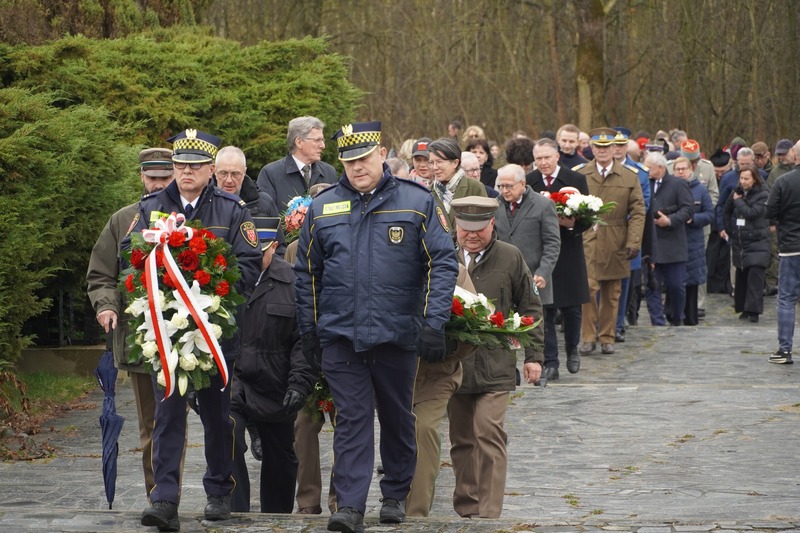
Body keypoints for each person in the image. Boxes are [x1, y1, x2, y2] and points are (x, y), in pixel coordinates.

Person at [294, 121, 458, 532]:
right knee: (351, 419)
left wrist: (434, 321)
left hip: (397, 332)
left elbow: (442, 262)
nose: (357, 167)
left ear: (381, 154)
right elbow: (307, 272)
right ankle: (349, 505)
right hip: (341, 335)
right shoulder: (323, 206)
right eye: (348, 161)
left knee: (397, 416)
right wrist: (309, 328)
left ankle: (395, 495)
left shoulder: (416, 201)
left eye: (364, 158)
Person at [132, 128, 262, 532]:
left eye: (194, 166)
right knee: (167, 416)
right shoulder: (151, 206)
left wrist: (212, 299)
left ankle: (218, 492)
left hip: (215, 334)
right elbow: (131, 257)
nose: (185, 172)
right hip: (167, 332)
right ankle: (165, 498)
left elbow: (249, 265)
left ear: (210, 169)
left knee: (218, 418)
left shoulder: (231, 209)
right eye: (179, 165)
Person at [86, 147, 185, 503]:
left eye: (165, 177)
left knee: (194, 424)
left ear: (175, 175)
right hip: (141, 338)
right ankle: (158, 498)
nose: (158, 184)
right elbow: (101, 276)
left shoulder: (191, 218)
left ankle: (211, 494)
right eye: (152, 177)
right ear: (141, 177)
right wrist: (106, 307)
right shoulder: (122, 220)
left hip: (190, 338)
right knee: (152, 426)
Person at [447, 195, 544, 519]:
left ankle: (488, 514)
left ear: (492, 225)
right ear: (455, 226)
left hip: (495, 365)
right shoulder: (443, 256)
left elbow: (530, 308)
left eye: (479, 229)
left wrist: (533, 356)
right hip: (454, 364)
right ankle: (467, 507)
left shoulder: (510, 257)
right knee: (461, 439)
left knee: (488, 432)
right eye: (465, 229)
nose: (471, 235)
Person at [232, 216, 316, 513]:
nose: (254, 258)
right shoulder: (225, 278)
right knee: (227, 440)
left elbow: (303, 341)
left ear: (275, 247)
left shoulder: (294, 283)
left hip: (276, 386)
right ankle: (234, 512)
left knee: (281, 459)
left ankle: (276, 518)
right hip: (235, 383)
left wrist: (299, 383)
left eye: (261, 251)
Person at [406, 265, 478, 517]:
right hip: (393, 372)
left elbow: (473, 324)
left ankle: (416, 512)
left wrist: (448, 349)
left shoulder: (454, 271)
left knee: (424, 429)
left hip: (437, 374)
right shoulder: (385, 257)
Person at [575, 128, 645, 356]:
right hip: (588, 240)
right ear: (592, 149)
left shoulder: (629, 176)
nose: (602, 151)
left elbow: (637, 212)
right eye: (598, 147)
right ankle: (587, 337)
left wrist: (633, 242)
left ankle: (607, 336)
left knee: (612, 293)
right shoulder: (580, 174)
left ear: (615, 148)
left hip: (616, 241)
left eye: (606, 147)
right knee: (587, 290)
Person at [528, 138, 591, 376]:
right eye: (538, 158)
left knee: (572, 308)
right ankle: (551, 361)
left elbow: (589, 216)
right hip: (540, 251)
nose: (543, 162)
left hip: (569, 249)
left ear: (557, 157)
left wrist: (573, 224)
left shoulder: (575, 180)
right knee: (545, 308)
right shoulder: (529, 182)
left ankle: (572, 349)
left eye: (547, 157)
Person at [493, 162, 560, 380]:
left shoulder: (543, 205)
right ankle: (510, 367)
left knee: (539, 323)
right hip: (503, 278)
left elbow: (552, 243)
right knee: (505, 323)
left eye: (509, 186)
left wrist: (544, 271)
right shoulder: (493, 206)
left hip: (534, 275)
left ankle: (547, 363)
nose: (504, 191)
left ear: (523, 184)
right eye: (501, 186)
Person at [643, 153, 694, 326]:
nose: (645, 170)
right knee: (652, 286)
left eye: (648, 167)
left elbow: (688, 209)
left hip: (674, 243)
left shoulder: (678, 184)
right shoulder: (644, 182)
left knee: (676, 286)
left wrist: (670, 220)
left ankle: (677, 318)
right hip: (651, 242)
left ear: (660, 168)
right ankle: (657, 321)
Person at [215, 145, 286, 257]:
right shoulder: (203, 203)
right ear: (214, 171)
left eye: (235, 174)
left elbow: (279, 249)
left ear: (244, 172)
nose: (229, 180)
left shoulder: (264, 203)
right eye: (223, 173)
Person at [256, 116, 338, 211]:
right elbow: (267, 216)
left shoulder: (329, 172)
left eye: (322, 140)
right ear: (299, 142)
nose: (322, 146)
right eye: (317, 140)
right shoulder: (270, 174)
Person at [724, 164, 770, 323]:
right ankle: (743, 307)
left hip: (757, 241)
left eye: (746, 178)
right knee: (742, 277)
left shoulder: (763, 194)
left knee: (755, 278)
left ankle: (754, 311)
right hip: (741, 241)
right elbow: (726, 210)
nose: (743, 181)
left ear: (755, 179)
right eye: (741, 178)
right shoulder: (737, 192)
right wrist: (730, 230)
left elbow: (753, 213)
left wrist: (738, 202)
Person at [765, 155, 800, 364]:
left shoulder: (783, 181)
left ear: (795, 157)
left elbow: (769, 211)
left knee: (786, 298)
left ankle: (784, 350)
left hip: (791, 246)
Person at [672, 157, 714, 325]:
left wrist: (694, 218)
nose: (681, 172)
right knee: (674, 282)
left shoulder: (701, 190)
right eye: (677, 169)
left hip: (693, 240)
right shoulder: (669, 188)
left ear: (691, 170)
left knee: (691, 283)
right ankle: (674, 315)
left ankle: (691, 317)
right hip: (673, 240)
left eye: (684, 169)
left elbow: (710, 214)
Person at [428, 137, 487, 227]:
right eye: (431, 163)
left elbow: (485, 223)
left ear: (455, 163)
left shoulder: (475, 187)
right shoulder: (428, 193)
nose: (435, 167)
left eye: (439, 162)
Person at [706, 148, 734, 295]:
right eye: (717, 171)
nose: (720, 175)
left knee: (725, 257)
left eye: (723, 171)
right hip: (711, 223)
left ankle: (725, 284)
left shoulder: (731, 179)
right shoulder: (709, 179)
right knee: (711, 256)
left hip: (726, 222)